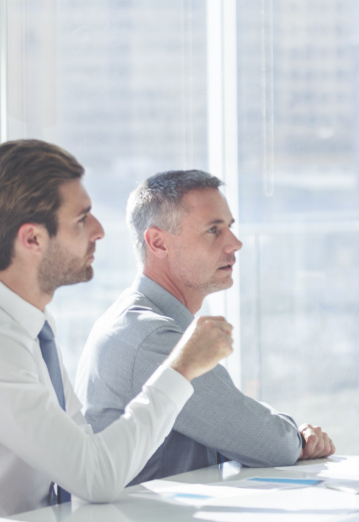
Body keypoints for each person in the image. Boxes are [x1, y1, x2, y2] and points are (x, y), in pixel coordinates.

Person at [0, 140, 234, 522]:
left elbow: (84, 452)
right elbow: (96, 477)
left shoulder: (27, 324)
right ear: (33, 240)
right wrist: (181, 367)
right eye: (81, 219)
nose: (99, 230)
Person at [76, 170, 335, 483]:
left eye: (230, 228)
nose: (235, 244)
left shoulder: (139, 319)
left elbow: (234, 421)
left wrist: (279, 431)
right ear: (158, 243)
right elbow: (269, 444)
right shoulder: (153, 336)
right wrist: (294, 436)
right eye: (214, 231)